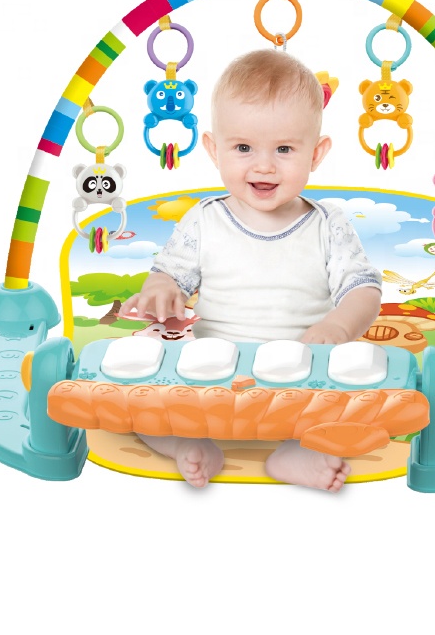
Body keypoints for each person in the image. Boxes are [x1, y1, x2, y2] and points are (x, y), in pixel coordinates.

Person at [120, 49, 382, 491]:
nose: (263, 165)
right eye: (243, 148)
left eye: (284, 149)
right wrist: (162, 288)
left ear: (316, 154)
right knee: (138, 397)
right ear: (213, 149)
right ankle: (187, 443)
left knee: (366, 397)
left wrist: (337, 327)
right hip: (208, 377)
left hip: (304, 377)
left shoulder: (328, 224)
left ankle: (297, 452)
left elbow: (363, 290)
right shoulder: (204, 220)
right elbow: (170, 275)